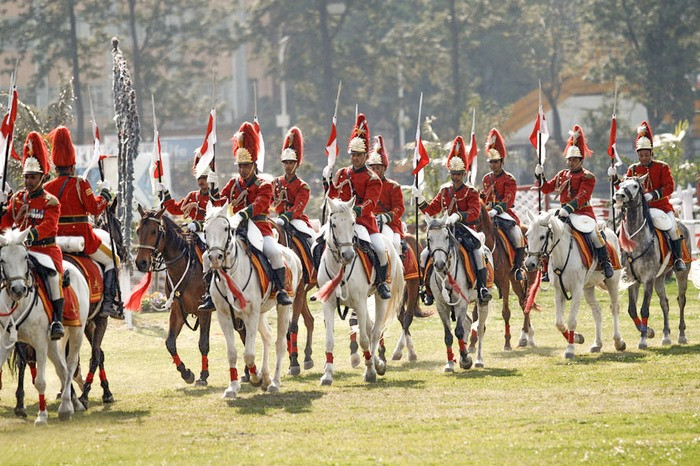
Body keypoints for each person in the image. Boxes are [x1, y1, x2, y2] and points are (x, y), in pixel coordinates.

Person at [43, 126, 123, 319]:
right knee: (114, 260)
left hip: (54, 242)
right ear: (72, 165)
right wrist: (104, 193)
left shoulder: (46, 187)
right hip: (83, 239)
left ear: (56, 167)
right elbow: (95, 209)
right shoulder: (80, 183)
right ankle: (108, 303)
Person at [216, 121, 293, 305]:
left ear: (253, 165)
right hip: (236, 228)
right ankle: (213, 293)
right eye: (240, 166)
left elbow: (261, 204)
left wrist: (243, 213)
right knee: (213, 252)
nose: (242, 170)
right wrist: (212, 192)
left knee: (274, 252)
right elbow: (220, 200)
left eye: (246, 166)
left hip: (259, 227)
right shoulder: (233, 184)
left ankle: (281, 290)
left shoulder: (264, 184)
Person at [412, 136, 492, 305]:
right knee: (425, 253)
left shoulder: (471, 191)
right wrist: (420, 199)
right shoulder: (444, 191)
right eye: (453, 173)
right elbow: (431, 210)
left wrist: (458, 216)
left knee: (478, 253)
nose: (455, 177)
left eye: (458, 174)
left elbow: (474, 213)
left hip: (466, 230)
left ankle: (482, 287)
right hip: (446, 230)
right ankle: (427, 289)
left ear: (464, 174)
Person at [0, 132, 65, 338]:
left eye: (33, 177)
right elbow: (6, 223)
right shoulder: (18, 198)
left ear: (42, 178)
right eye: (26, 177)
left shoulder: (50, 201)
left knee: (54, 278)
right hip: (19, 250)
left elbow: (49, 225)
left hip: (44, 249)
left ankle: (57, 320)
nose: (28, 181)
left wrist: (30, 235)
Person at [323, 114, 391, 299]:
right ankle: (319, 276)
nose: (355, 158)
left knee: (379, 250)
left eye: (359, 155)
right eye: (353, 154)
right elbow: (332, 196)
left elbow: (370, 203)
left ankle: (381, 283)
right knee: (319, 242)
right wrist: (326, 181)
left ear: (365, 156)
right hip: (341, 222)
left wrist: (352, 212)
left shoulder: (373, 178)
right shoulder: (341, 173)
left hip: (364, 223)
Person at [536, 124, 614, 279]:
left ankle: (605, 263)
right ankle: (546, 267)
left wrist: (569, 208)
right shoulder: (561, 175)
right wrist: (540, 176)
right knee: (549, 233)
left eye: (574, 160)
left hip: (583, 213)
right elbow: (546, 188)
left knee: (594, 234)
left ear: (581, 160)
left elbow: (583, 196)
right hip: (564, 213)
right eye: (569, 159)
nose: (571, 162)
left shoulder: (588, 176)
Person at [610, 120, 685, 271]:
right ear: (637, 155)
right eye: (641, 155)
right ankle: (622, 260)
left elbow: (670, 187)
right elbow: (624, 188)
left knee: (672, 228)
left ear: (651, 153)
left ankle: (677, 259)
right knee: (620, 230)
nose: (644, 158)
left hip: (661, 207)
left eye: (646, 154)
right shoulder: (633, 169)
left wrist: (654, 194)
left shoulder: (662, 167)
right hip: (639, 210)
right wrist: (615, 178)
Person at [158, 148, 219, 311]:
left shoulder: (215, 195)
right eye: (199, 177)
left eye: (205, 177)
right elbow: (176, 209)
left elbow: (216, 216)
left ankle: (212, 292)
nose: (202, 181)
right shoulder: (193, 195)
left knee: (209, 256)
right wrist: (165, 195)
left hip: (211, 233)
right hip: (192, 232)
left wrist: (198, 225)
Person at [481, 128, 526, 280]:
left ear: (502, 162)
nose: (493, 165)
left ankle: (518, 267)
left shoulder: (509, 179)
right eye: (491, 162)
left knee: (518, 235)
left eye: (495, 162)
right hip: (488, 213)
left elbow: (509, 199)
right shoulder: (487, 179)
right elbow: (483, 195)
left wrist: (497, 209)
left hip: (505, 213)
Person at [367, 135, 405, 257]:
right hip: (369, 222)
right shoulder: (366, 185)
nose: (374, 171)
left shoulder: (393, 186)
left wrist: (386, 217)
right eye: (372, 168)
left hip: (390, 224)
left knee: (394, 243)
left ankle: (397, 271)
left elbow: (399, 208)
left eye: (377, 168)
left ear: (384, 169)